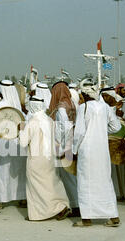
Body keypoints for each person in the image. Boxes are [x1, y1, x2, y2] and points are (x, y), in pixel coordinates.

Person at [72, 84, 122, 227]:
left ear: (86, 95)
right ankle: (113, 216)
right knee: (105, 181)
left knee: (86, 183)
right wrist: (100, 129)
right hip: (102, 150)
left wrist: (74, 150)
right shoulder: (105, 107)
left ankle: (86, 218)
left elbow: (80, 132)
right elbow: (116, 127)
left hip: (87, 151)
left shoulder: (84, 107)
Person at [19, 96, 70, 221]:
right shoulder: (49, 120)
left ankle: (40, 213)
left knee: (37, 187)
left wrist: (20, 129)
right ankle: (61, 206)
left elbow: (23, 143)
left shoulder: (32, 123)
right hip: (50, 159)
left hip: (36, 160)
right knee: (51, 183)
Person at [0, 80, 27, 207]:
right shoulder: (17, 106)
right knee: (19, 170)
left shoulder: (1, 104)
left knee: (4, 169)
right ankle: (22, 196)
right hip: (18, 141)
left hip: (5, 140)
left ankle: (3, 198)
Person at [50, 81, 79, 212]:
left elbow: (65, 130)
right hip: (72, 143)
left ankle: (75, 206)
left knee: (67, 177)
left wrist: (62, 149)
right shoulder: (72, 103)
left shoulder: (61, 108)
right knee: (71, 176)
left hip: (63, 145)